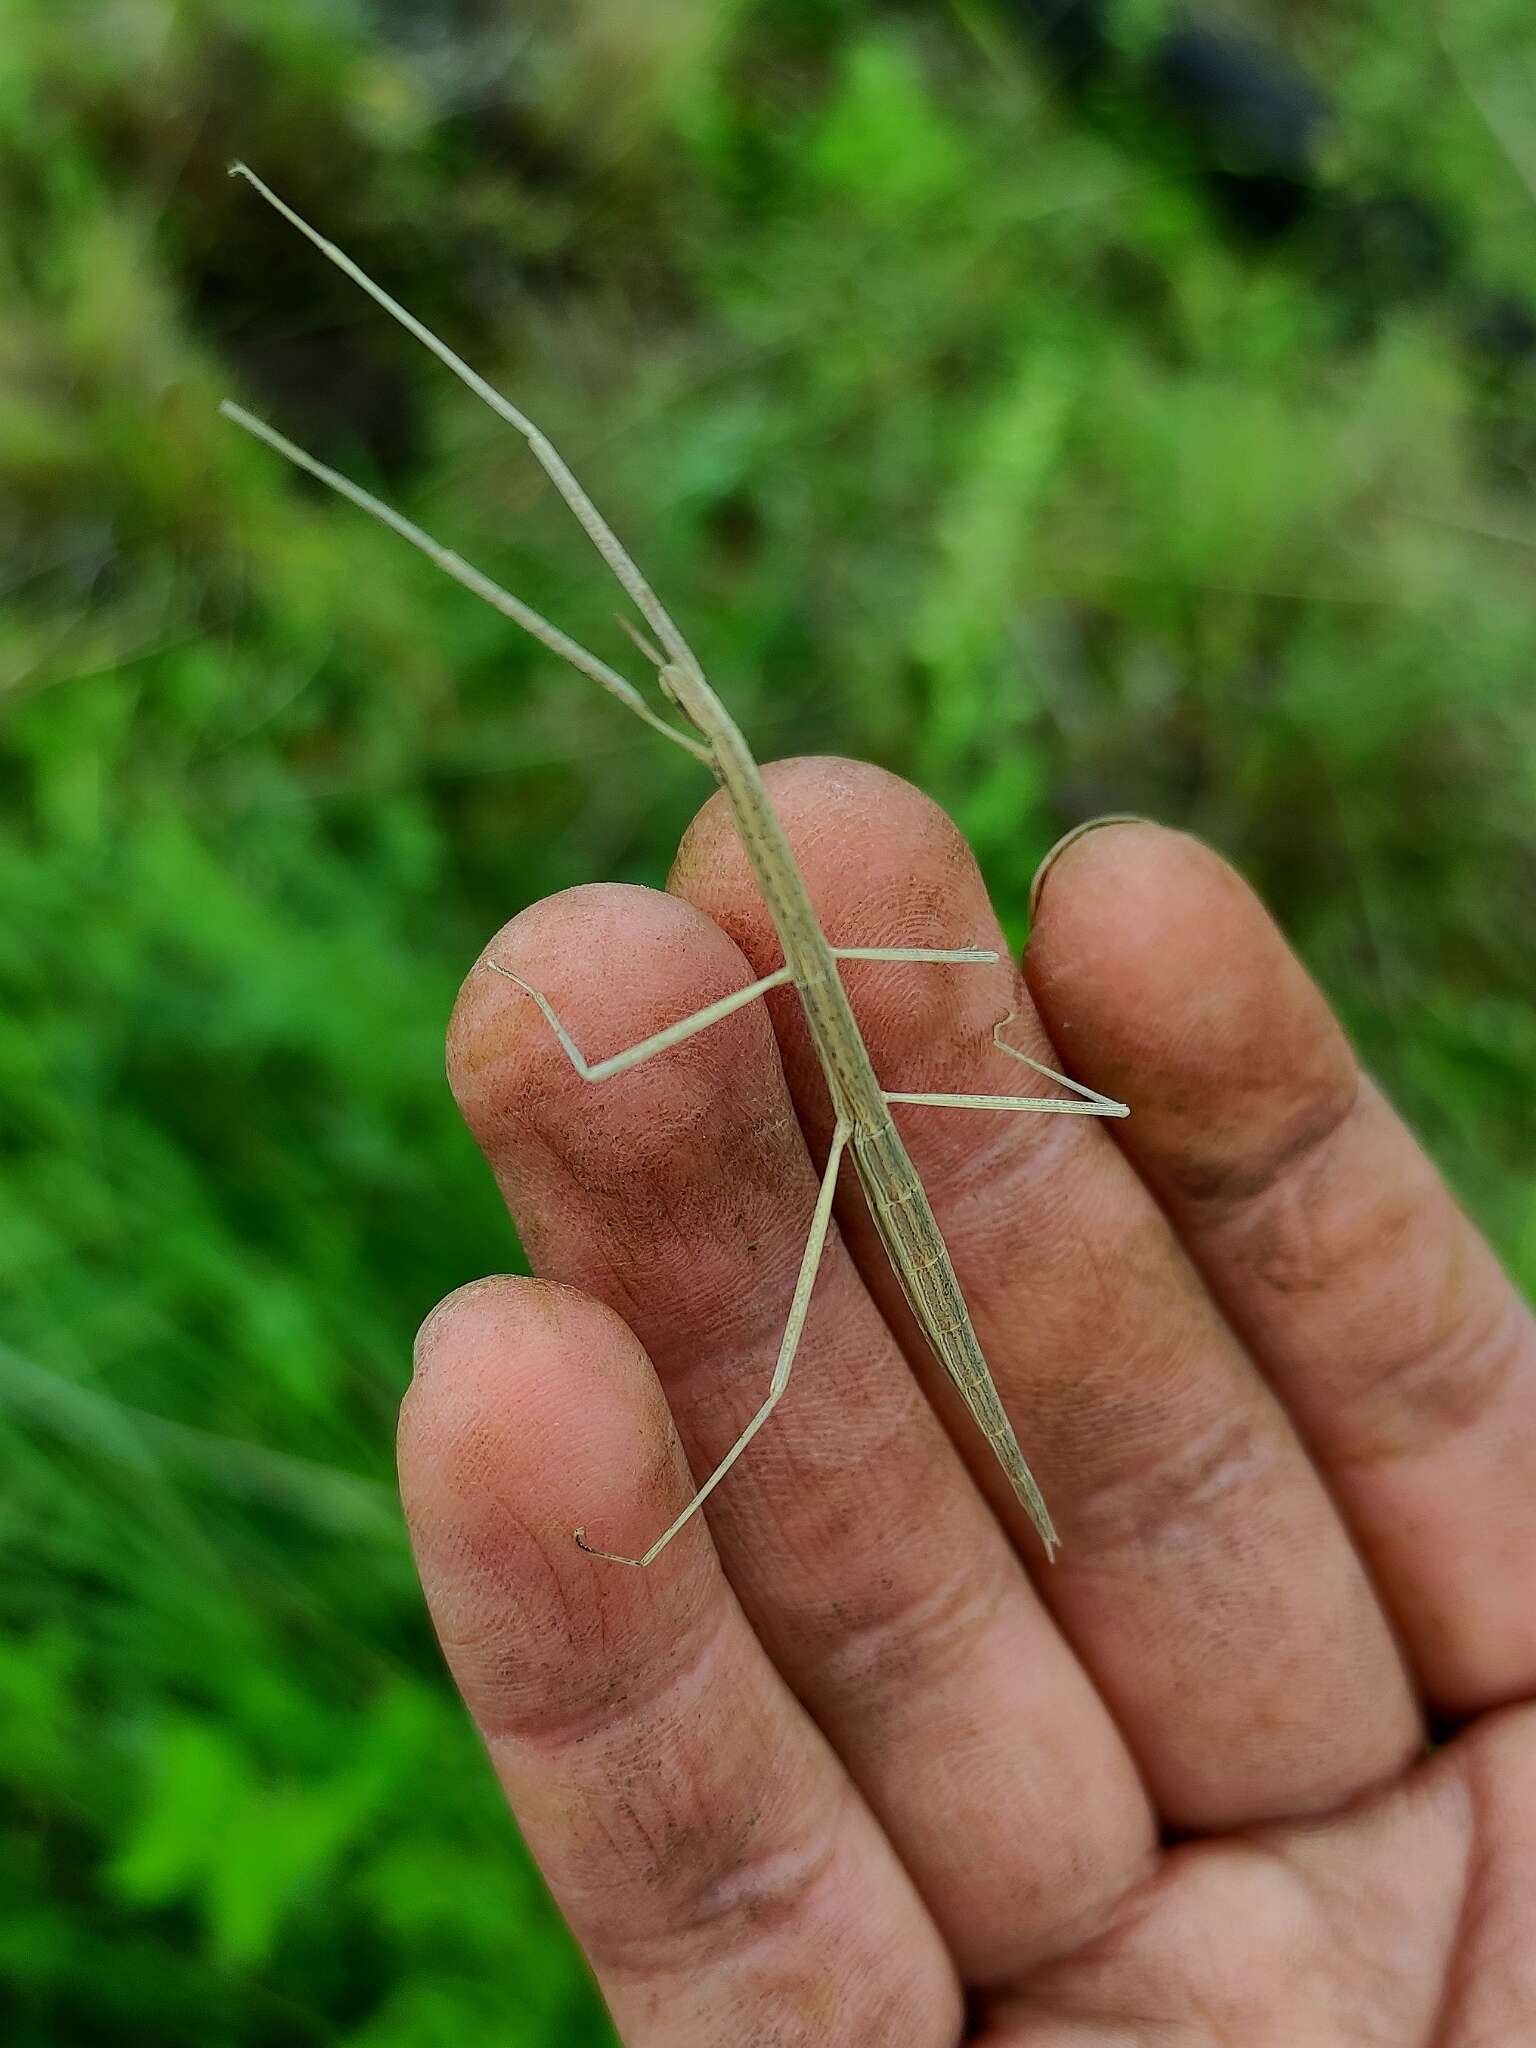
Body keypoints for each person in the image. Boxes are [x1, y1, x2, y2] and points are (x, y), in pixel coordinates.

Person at [400, 765, 1536, 2044]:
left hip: (908, 1184)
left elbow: (613, 1051)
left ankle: (688, 1511)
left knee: (773, 1357)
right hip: (869, 1149)